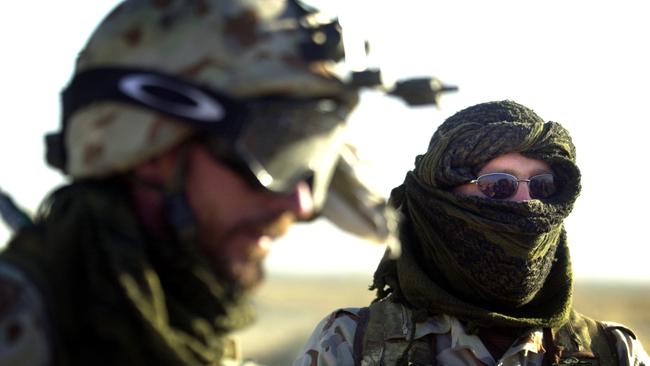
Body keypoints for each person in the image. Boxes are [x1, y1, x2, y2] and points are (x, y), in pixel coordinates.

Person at [0, 0, 443, 365]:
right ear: (149, 148)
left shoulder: (187, 343)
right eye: (273, 151)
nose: (301, 202)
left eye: (314, 161)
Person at [294, 100, 650, 366]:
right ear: (441, 203)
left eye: (542, 187)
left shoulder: (614, 351)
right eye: (499, 186)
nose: (527, 204)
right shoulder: (350, 343)